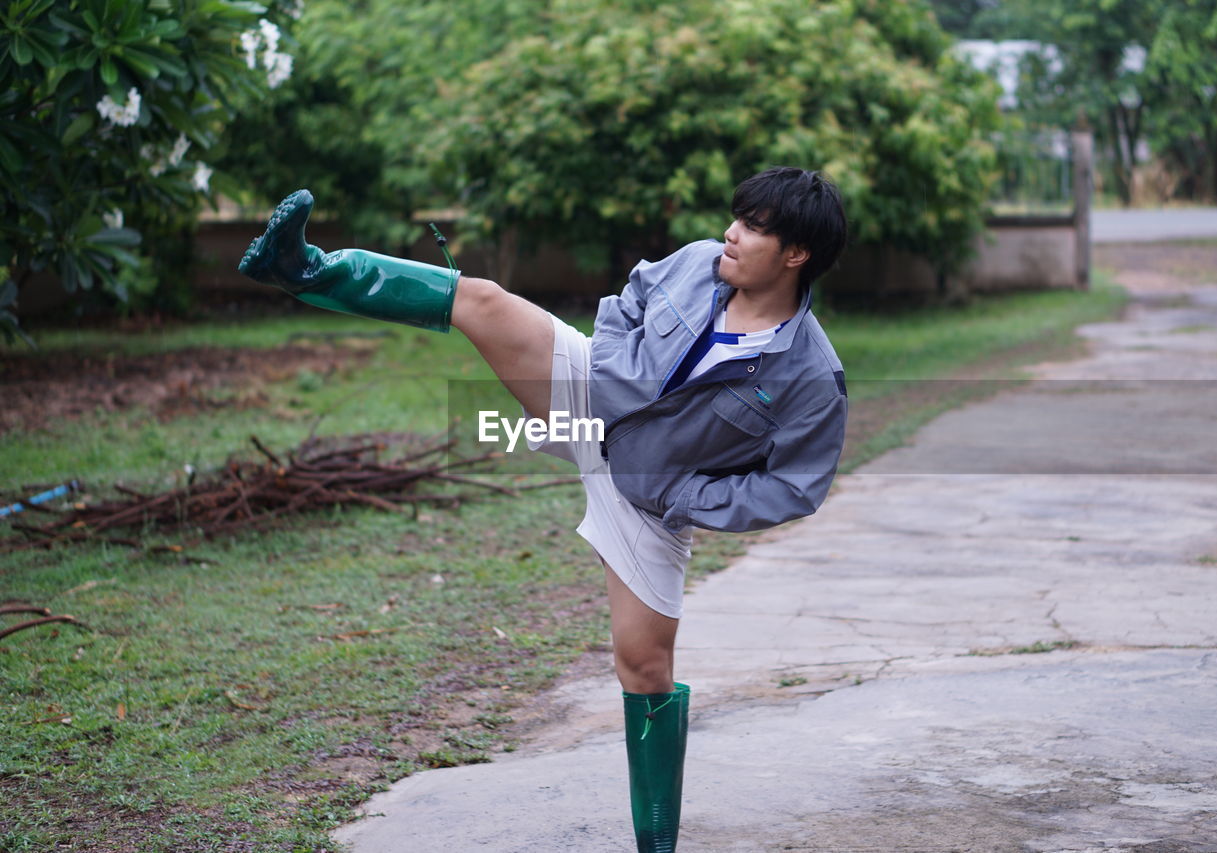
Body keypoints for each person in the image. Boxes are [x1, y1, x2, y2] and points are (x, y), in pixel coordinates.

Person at [239, 166, 849, 852]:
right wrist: (609, 374)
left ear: (796, 254)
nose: (732, 234)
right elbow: (631, 298)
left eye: (755, 228)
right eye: (738, 217)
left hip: (651, 493)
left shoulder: (810, 374)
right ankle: (303, 268)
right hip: (594, 398)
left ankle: (656, 843)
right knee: (485, 300)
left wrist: (684, 497)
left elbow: (793, 485)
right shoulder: (696, 263)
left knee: (643, 665)